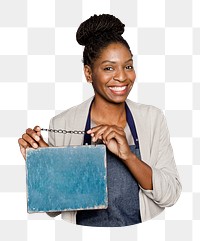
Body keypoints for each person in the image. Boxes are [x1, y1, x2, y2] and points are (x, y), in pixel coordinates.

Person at [18, 14, 181, 227]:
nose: (122, 77)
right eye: (109, 68)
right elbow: (54, 210)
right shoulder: (63, 123)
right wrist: (47, 167)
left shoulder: (152, 118)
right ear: (88, 73)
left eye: (128, 66)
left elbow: (170, 196)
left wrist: (128, 156)